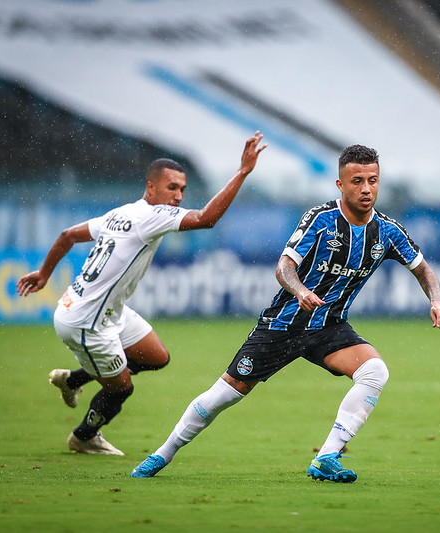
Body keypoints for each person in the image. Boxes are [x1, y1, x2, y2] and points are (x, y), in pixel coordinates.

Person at [130, 144, 440, 482]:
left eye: (373, 180)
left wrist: (437, 301)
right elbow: (284, 267)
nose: (366, 188)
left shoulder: (387, 231)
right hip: (283, 326)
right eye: (357, 180)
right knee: (223, 396)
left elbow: (423, 270)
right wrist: (300, 291)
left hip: (329, 327)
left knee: (375, 371)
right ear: (340, 185)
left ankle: (327, 456)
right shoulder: (320, 219)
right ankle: (161, 454)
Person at [16, 132, 267, 455]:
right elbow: (207, 218)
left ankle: (75, 380)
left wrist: (44, 273)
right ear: (151, 187)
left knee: (155, 356)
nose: (178, 196)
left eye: (182, 189)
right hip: (85, 321)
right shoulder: (151, 216)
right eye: (171, 188)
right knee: (121, 388)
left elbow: (67, 236)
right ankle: (84, 436)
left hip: (106, 310)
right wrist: (243, 171)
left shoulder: (122, 213)